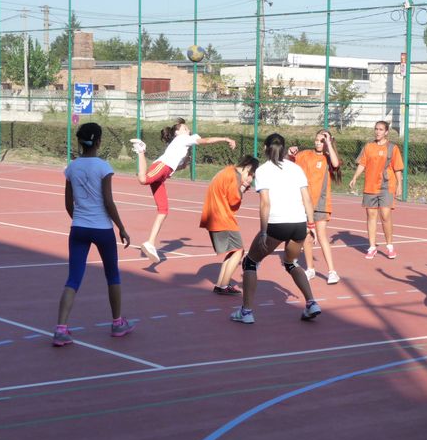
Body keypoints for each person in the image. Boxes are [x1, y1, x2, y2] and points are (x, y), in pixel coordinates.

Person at [53, 122, 133, 347]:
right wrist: (121, 227)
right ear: (98, 141)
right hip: (102, 230)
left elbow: (68, 204)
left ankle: (61, 328)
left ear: (80, 142)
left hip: (78, 228)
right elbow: (108, 201)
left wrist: (79, 220)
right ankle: (117, 323)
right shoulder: (103, 167)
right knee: (112, 275)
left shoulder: (72, 168)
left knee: (73, 278)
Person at [231, 133, 322, 324]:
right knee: (291, 263)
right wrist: (311, 225)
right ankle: (311, 302)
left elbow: (265, 203)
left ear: (265, 148)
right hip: (299, 224)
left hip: (277, 224)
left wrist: (264, 232)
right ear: (284, 148)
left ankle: (246, 312)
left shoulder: (263, 171)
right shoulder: (296, 168)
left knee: (250, 263)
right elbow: (307, 198)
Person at [132, 118, 235, 263]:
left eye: (188, 129)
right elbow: (206, 141)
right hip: (161, 166)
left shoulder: (181, 145)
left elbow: (178, 167)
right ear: (177, 132)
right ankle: (141, 149)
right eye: (185, 128)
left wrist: (185, 163)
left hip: (164, 173)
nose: (188, 130)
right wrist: (225, 138)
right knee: (143, 179)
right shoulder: (183, 139)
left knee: (163, 211)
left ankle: (150, 243)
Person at [287, 129, 342, 284]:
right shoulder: (305, 155)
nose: (318, 143)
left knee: (322, 235)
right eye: (317, 140)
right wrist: (289, 153)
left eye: (321, 141)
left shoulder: (328, 158)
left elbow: (336, 164)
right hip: (304, 203)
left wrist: (328, 143)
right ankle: (310, 269)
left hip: (321, 203)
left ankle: (332, 272)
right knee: (306, 237)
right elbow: (288, 162)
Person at [199, 155, 260, 295]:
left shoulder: (227, 172)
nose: (251, 179)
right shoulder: (234, 176)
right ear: (247, 168)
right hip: (221, 217)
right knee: (239, 251)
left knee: (234, 250)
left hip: (215, 215)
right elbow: (233, 201)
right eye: (251, 175)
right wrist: (242, 189)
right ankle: (223, 285)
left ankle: (221, 283)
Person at [348, 120, 404, 260]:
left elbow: (397, 168)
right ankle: (372, 247)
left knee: (385, 215)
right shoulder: (368, 146)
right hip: (370, 186)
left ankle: (389, 246)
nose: (377, 132)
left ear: (386, 132)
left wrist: (399, 185)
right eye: (376, 129)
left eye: (381, 129)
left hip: (386, 185)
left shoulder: (392, 148)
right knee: (371, 216)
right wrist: (355, 177)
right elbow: (362, 164)